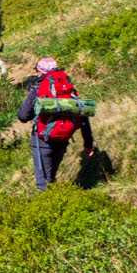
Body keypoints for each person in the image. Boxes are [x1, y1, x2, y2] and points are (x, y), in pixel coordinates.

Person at [17, 56, 94, 190]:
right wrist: (88, 143)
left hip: (42, 140)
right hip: (63, 138)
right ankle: (56, 200)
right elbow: (83, 117)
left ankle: (48, 205)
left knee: (43, 183)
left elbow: (23, 116)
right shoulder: (70, 91)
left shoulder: (38, 90)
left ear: (41, 72)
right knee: (51, 177)